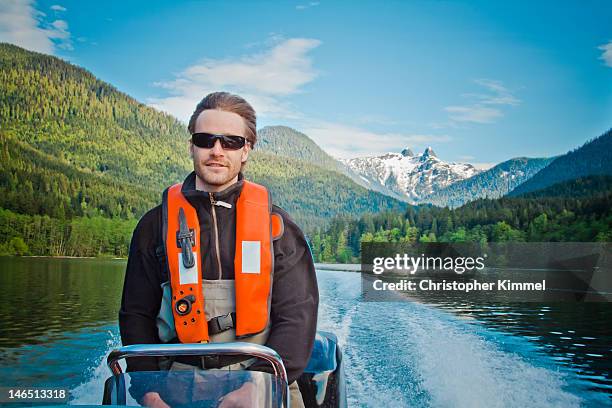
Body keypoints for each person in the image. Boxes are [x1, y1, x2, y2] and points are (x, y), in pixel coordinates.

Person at [119, 91, 319, 407]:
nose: (216, 151)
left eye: (231, 142)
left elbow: (298, 315)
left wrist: (257, 385)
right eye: (205, 139)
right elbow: (136, 316)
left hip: (262, 381)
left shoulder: (278, 227)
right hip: (176, 385)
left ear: (246, 151)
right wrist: (148, 392)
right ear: (191, 146)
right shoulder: (153, 226)